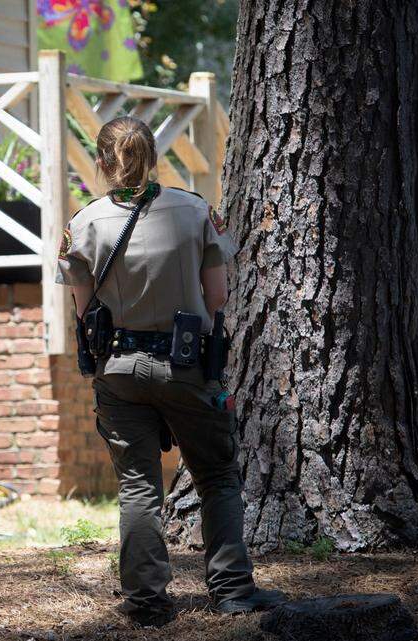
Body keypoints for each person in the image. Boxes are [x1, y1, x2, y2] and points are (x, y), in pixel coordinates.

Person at [56, 116, 285, 627]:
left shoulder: (85, 223)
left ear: (101, 163)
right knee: (218, 476)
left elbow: (83, 309)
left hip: (118, 369)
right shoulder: (195, 211)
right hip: (186, 366)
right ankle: (232, 591)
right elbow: (218, 297)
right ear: (155, 156)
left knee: (138, 487)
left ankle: (147, 603)